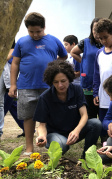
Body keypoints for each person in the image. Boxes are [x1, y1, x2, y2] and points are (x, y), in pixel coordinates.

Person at [8, 12, 68, 155]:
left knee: (50, 116)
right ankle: (29, 148)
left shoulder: (53, 40)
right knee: (28, 117)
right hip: (26, 85)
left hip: (48, 86)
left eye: (38, 31)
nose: (35, 35)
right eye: (31, 32)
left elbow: (64, 56)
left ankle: (52, 145)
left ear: (44, 27)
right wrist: (13, 84)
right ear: (27, 29)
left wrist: (54, 66)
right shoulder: (22, 42)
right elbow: (15, 63)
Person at [34, 60, 102, 158]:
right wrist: (42, 136)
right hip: (54, 134)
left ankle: (87, 157)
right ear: (51, 82)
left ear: (69, 79)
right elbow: (42, 125)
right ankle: (55, 148)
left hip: (73, 131)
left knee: (95, 124)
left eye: (63, 81)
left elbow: (84, 115)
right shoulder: (45, 97)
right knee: (61, 145)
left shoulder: (77, 89)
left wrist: (76, 131)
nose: (60, 85)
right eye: (56, 82)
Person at [70, 18, 102, 119]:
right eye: (94, 28)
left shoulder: (106, 42)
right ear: (91, 29)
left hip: (103, 81)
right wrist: (83, 62)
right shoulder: (85, 42)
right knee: (90, 112)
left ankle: (104, 133)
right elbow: (73, 52)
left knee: (103, 110)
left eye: (99, 28)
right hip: (89, 81)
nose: (96, 31)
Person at [0, 41, 24, 138]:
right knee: (11, 103)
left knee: (5, 103)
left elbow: (12, 51)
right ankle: (26, 128)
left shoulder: (9, 34)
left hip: (7, 75)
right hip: (7, 78)